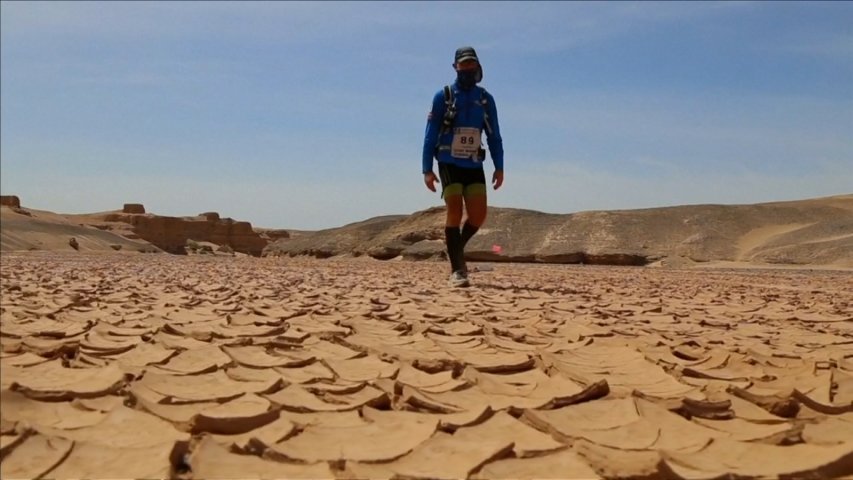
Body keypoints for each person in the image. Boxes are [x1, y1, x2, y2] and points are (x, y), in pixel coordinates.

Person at [422, 46, 504, 287]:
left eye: (471, 63)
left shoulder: (485, 99)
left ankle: (455, 247)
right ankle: (458, 270)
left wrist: (499, 166)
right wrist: (427, 169)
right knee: (455, 211)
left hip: (473, 163)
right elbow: (430, 134)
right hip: (448, 161)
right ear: (455, 67)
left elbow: (494, 136)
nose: (467, 68)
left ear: (477, 66)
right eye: (463, 64)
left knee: (478, 215)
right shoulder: (443, 96)